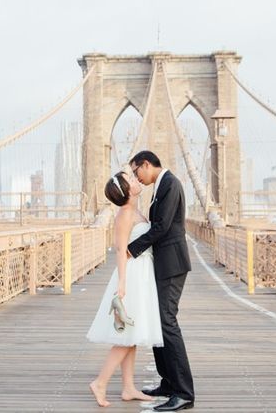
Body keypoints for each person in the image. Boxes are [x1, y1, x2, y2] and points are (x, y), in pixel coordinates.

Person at [86, 170, 163, 407]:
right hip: (132, 276)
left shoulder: (135, 210)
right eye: (130, 180)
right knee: (126, 336)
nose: (135, 179)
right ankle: (100, 382)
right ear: (127, 191)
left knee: (133, 335)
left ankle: (128, 387)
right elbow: (120, 250)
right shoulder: (125, 213)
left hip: (142, 273)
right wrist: (122, 283)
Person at [127, 150, 195, 411]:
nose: (136, 177)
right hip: (165, 263)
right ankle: (167, 382)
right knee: (159, 320)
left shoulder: (170, 184)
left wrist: (131, 249)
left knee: (167, 323)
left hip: (173, 264)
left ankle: (184, 392)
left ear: (146, 164)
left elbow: (162, 226)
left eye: (136, 171)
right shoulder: (161, 184)